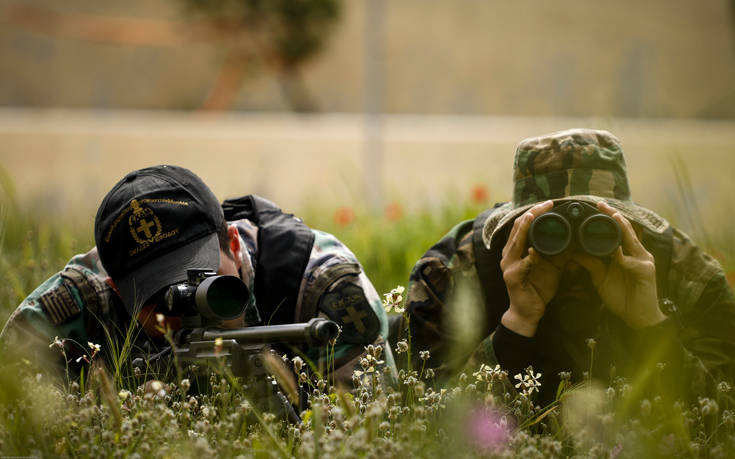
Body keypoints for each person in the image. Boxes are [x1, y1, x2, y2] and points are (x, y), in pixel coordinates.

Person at [404, 128, 735, 404]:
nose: (574, 262)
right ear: (516, 230)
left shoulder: (687, 276)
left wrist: (650, 322)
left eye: (598, 234)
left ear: (629, 227)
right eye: (550, 234)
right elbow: (427, 425)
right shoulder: (451, 275)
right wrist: (516, 323)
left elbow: (726, 419)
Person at [0, 165, 394, 388]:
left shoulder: (318, 282)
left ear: (234, 244)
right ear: (115, 289)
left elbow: (370, 427)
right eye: (159, 301)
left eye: (205, 280)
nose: (188, 312)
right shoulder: (67, 311)